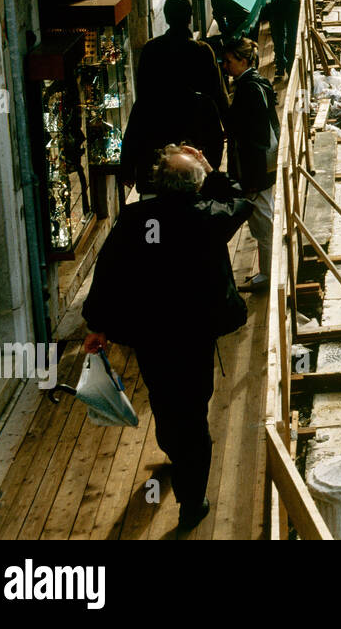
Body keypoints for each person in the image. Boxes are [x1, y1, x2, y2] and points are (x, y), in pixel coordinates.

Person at [82, 143, 254, 531]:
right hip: (194, 332)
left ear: (157, 182)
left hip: (151, 333)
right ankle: (192, 500)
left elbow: (107, 272)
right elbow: (241, 199)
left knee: (163, 399)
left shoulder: (135, 218)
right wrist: (211, 169)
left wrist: (97, 324)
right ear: (196, 185)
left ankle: (176, 450)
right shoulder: (209, 217)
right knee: (194, 410)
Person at [122, 0, 228, 190]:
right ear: (190, 17)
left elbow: (142, 98)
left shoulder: (151, 49)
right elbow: (218, 93)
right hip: (194, 130)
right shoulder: (202, 51)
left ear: (167, 18)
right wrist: (227, 125)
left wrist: (128, 167)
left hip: (157, 129)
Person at [222, 38, 279, 292]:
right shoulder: (255, 83)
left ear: (243, 61)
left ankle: (268, 274)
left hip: (256, 168)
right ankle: (266, 272)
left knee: (263, 222)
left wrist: (250, 177)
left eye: (229, 61)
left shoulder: (249, 88)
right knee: (263, 220)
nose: (225, 66)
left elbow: (254, 136)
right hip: (260, 165)